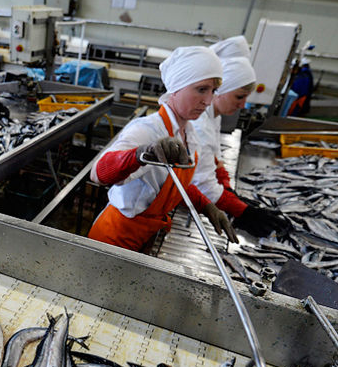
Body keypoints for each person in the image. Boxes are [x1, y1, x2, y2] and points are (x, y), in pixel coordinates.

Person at [87, 46, 237, 253]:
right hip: (114, 239)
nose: (208, 101)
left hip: (145, 238)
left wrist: (206, 205)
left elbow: (172, 184)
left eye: (213, 91)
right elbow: (98, 174)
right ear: (176, 87)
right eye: (201, 89)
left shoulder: (189, 134)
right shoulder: (147, 130)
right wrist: (141, 154)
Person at [191, 56, 291, 237]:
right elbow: (202, 185)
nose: (243, 104)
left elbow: (215, 157)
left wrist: (227, 189)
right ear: (220, 91)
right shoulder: (200, 124)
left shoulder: (213, 116)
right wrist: (244, 211)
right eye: (239, 96)